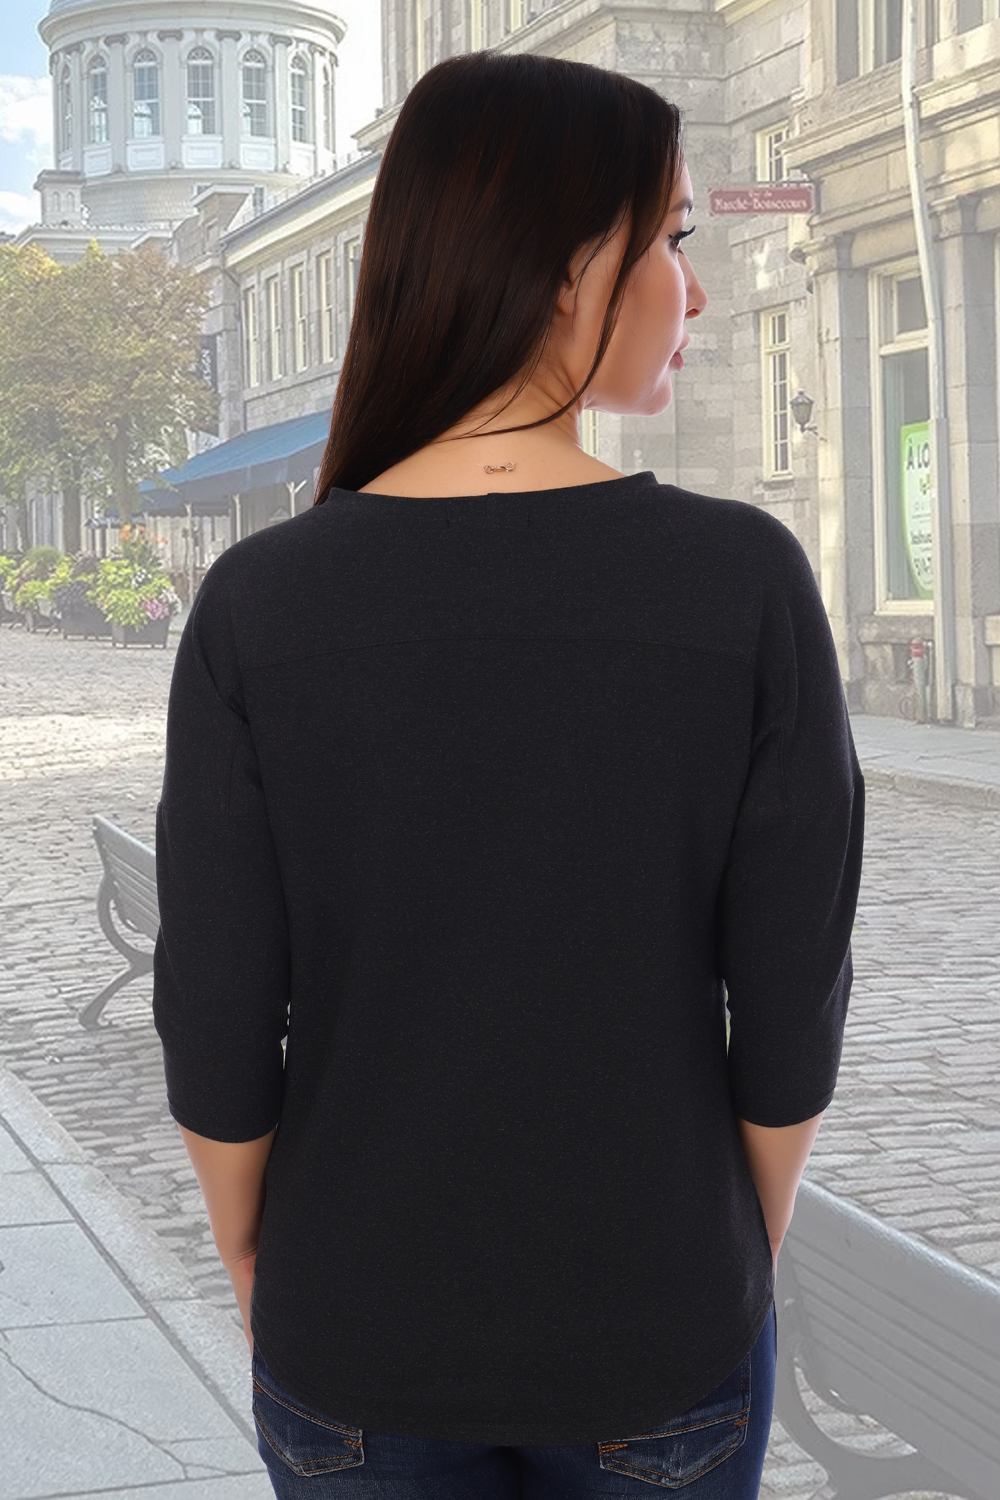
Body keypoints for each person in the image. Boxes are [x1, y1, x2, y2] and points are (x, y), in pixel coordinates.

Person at [152, 49, 865, 1500]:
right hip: (656, 1318)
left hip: (354, 1322)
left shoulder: (260, 604)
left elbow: (217, 1009)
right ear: (567, 267)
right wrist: (730, 1248)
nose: (694, 290)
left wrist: (253, 1257)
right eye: (672, 240)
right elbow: (792, 996)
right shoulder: (741, 581)